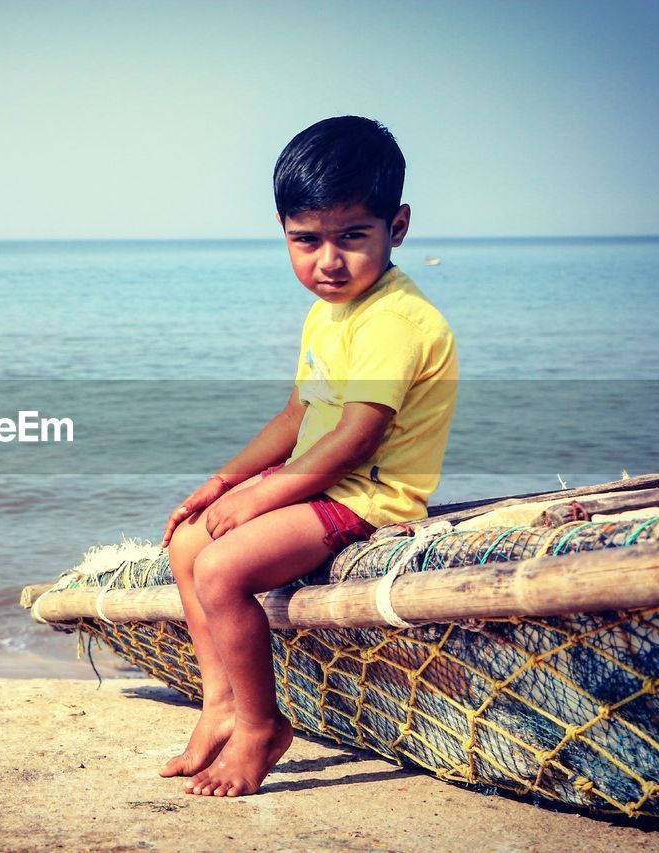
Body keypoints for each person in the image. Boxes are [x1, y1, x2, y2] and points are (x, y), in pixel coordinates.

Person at [158, 116, 457, 797]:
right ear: (283, 230)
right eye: (306, 239)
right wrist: (225, 481)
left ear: (397, 226)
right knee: (185, 543)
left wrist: (262, 496)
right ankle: (221, 704)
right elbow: (299, 415)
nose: (328, 260)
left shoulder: (395, 321)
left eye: (352, 236)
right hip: (320, 478)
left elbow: (356, 438)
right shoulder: (329, 312)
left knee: (224, 568)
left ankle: (263, 725)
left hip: (366, 494)